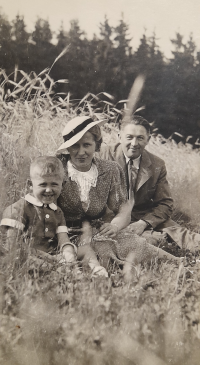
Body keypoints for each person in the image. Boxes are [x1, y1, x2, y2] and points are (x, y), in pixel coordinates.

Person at [56, 115, 183, 280]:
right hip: (63, 236)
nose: (81, 152)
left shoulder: (109, 170)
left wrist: (115, 226)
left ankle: (180, 267)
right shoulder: (57, 167)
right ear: (68, 147)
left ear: (96, 145)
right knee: (102, 252)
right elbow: (37, 203)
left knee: (136, 244)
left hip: (97, 232)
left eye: (87, 145)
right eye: (75, 146)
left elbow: (123, 210)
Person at [99, 115, 200, 253]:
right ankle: (155, 241)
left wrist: (143, 223)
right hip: (112, 219)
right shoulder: (102, 156)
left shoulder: (157, 164)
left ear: (148, 140)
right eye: (129, 137)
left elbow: (165, 203)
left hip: (144, 217)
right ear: (119, 136)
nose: (134, 143)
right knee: (153, 240)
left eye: (140, 138)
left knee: (186, 237)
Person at [0, 156, 76, 265]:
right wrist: (48, 258)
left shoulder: (57, 212)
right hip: (25, 255)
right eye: (43, 184)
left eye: (54, 184)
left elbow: (63, 239)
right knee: (26, 260)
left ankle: (97, 272)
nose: (49, 190)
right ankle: (60, 272)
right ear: (30, 185)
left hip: (51, 255)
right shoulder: (18, 209)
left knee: (84, 250)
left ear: (62, 185)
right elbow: (12, 246)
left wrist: (68, 253)